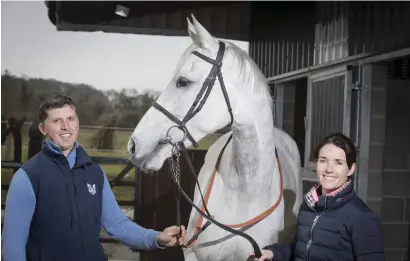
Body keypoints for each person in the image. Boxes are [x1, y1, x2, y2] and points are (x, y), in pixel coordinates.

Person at [2, 94, 187, 261]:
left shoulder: (94, 172)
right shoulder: (27, 177)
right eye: (57, 121)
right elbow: (12, 247)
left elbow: (118, 225)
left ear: (77, 123)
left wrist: (157, 238)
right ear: (43, 128)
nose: (65, 126)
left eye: (70, 119)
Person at [250, 132, 385, 261]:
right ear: (316, 164)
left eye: (338, 162)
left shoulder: (362, 217)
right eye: (323, 160)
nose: (329, 169)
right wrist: (274, 253)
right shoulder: (308, 206)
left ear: (351, 169)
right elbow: (298, 250)